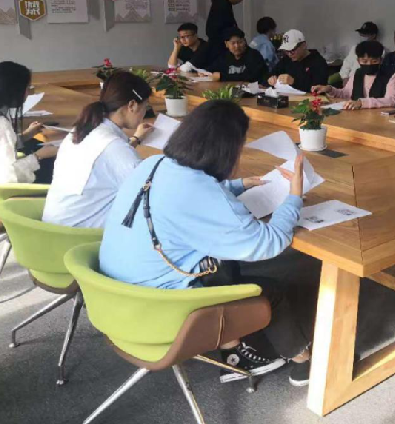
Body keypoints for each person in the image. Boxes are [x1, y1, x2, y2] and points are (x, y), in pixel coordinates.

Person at [100, 101, 312, 386]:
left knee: (222, 261)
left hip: (112, 295)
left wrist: (238, 185)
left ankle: (232, 348)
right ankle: (304, 362)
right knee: (270, 291)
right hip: (156, 306)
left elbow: (191, 191)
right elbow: (270, 243)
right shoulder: (200, 193)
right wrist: (294, 197)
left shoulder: (152, 164)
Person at [42, 72, 154, 229]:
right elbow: (149, 192)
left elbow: (107, 160)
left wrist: (135, 139)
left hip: (53, 226)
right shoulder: (115, 148)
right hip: (80, 234)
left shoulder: (82, 130)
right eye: (145, 107)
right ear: (132, 105)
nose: (144, 114)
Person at [312, 41, 395, 109]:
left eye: (374, 61)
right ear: (358, 61)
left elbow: (392, 100)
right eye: (364, 61)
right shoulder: (358, 73)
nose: (369, 64)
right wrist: (330, 89)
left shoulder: (391, 76)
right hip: (357, 116)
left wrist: (362, 103)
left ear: (381, 60)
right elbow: (346, 93)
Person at [206, 0, 249, 64]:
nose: (240, 1)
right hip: (219, 45)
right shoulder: (222, 5)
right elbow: (223, 27)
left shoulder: (221, 2)